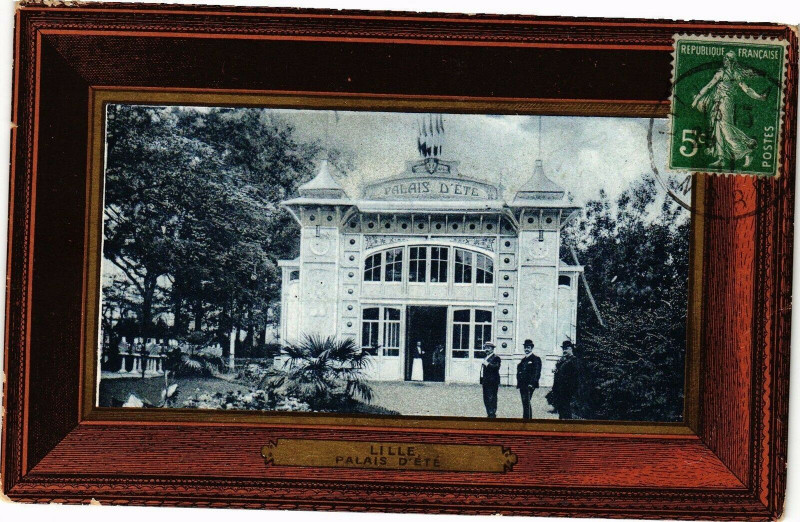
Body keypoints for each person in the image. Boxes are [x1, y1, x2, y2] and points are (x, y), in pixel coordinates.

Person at [691, 50, 767, 168]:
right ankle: (721, 158)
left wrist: (759, 97)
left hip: (726, 104)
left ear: (731, 62)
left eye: (727, 59)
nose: (724, 61)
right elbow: (709, 86)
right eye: (724, 59)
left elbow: (747, 89)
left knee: (726, 130)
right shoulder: (720, 73)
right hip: (717, 103)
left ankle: (747, 151)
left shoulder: (736, 75)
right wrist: (696, 100)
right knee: (718, 129)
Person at [546, 340, 578, 420]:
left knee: (566, 412)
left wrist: (571, 390)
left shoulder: (573, 360)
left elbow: (574, 377)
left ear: (571, 349)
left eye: (566, 348)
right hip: (559, 390)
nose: (564, 351)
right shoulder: (563, 360)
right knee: (561, 412)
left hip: (567, 391)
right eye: (563, 349)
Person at [516, 339, 542, 419]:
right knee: (525, 403)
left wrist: (532, 383)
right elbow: (519, 370)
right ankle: (526, 419)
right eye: (525, 347)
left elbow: (537, 373)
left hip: (529, 385)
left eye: (528, 347)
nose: (526, 349)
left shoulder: (536, 359)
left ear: (531, 348)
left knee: (526, 402)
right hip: (522, 385)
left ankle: (528, 420)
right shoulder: (523, 360)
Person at [480, 342, 502, 418]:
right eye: (486, 348)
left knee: (492, 398)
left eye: (489, 348)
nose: (487, 349)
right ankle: (489, 413)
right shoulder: (485, 357)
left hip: (493, 381)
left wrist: (487, 364)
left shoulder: (496, 358)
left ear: (492, 349)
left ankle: (492, 414)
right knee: (486, 398)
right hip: (485, 381)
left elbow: (496, 367)